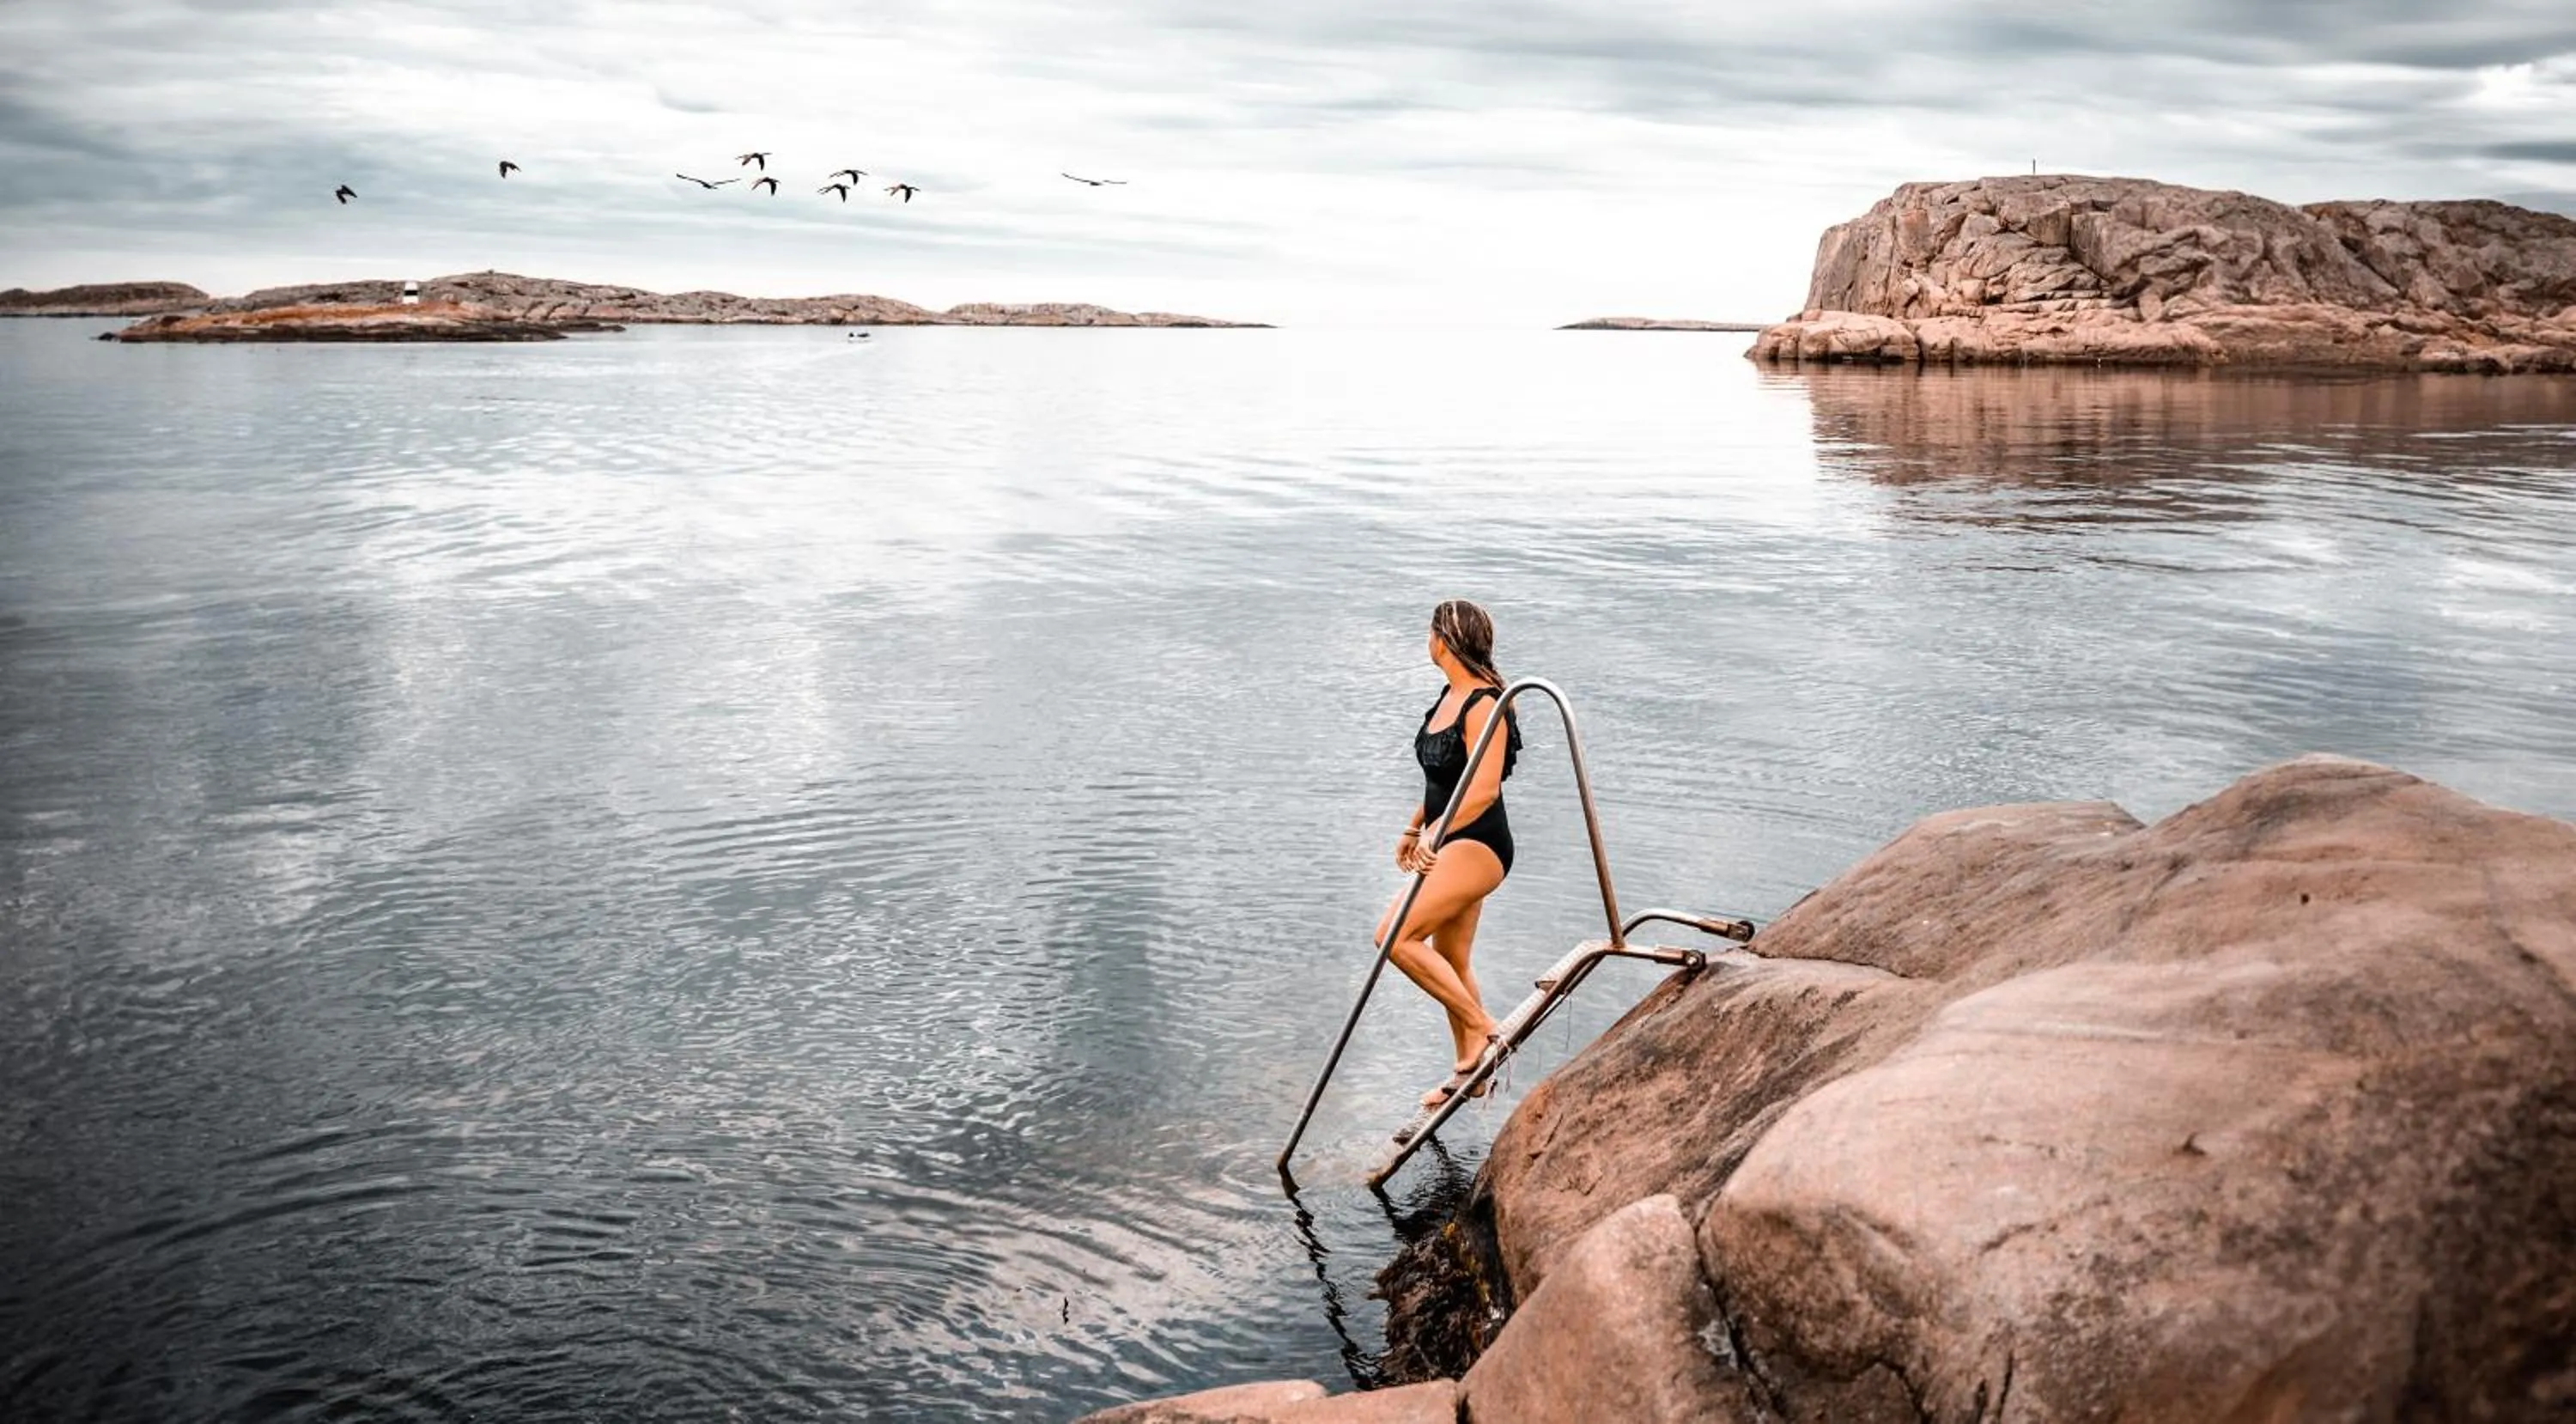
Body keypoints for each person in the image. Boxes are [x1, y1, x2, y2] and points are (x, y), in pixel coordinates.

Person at [1376, 599, 1522, 1106]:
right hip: (1447, 836)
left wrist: (1435, 834)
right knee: (1452, 958)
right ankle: (1472, 1071)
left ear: (1444, 639)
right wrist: (1413, 826)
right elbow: (1443, 780)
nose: (1427, 641)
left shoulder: (1484, 704)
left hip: (1478, 842)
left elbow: (1481, 790)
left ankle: (1485, 1029)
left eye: (1430, 632)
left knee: (1394, 937)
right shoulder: (1449, 695)